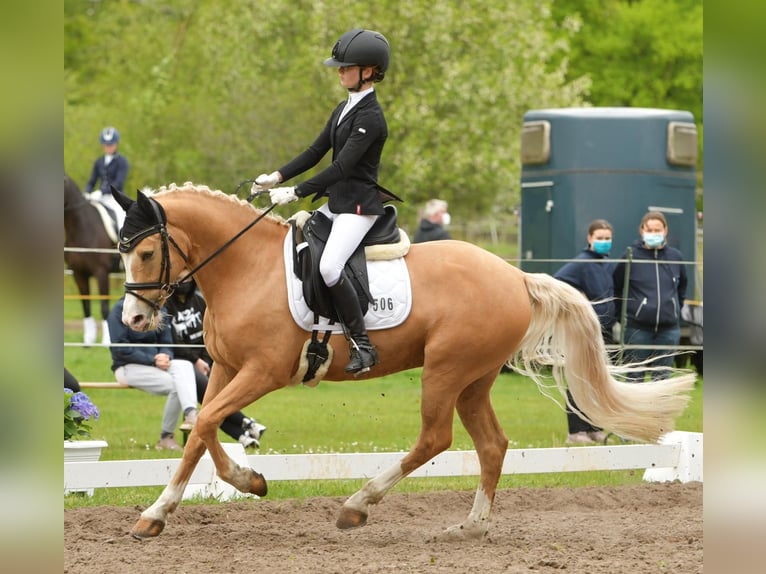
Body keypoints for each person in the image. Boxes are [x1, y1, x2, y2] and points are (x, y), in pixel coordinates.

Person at [253, 28, 393, 376]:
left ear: (369, 70)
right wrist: (277, 177)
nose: (339, 71)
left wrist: (297, 193)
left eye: (346, 67)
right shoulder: (344, 107)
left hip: (358, 207)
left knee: (330, 266)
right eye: (340, 66)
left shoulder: (371, 118)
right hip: (337, 202)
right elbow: (316, 151)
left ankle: (362, 343)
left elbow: (343, 166)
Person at [165, 278, 267, 449]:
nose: (184, 282)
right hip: (182, 362)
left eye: (188, 277)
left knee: (211, 403)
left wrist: (206, 360)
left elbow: (209, 334)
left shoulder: (199, 302)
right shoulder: (167, 306)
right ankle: (245, 425)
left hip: (205, 362)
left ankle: (243, 434)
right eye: (179, 278)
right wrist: (196, 361)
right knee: (212, 400)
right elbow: (175, 343)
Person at [107, 295, 199, 451]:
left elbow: (167, 341)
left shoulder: (159, 310)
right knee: (176, 385)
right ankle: (166, 437)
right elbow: (120, 349)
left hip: (157, 363)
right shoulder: (118, 311)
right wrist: (152, 360)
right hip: (127, 367)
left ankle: (191, 414)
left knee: (184, 365)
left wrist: (165, 355)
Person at [554, 219, 616, 444]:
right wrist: (578, 298)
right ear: (590, 238)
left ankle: (593, 427)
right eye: (599, 238)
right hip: (583, 330)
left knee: (596, 379)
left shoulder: (605, 263)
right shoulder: (581, 263)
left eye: (607, 238)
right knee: (578, 378)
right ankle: (576, 431)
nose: (604, 242)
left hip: (604, 329)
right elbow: (557, 281)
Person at [613, 211, 687, 381]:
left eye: (657, 230)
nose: (654, 234)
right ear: (642, 231)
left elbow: (682, 286)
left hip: (669, 330)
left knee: (662, 377)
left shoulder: (676, 257)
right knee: (634, 376)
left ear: (665, 231)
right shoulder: (630, 256)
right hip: (637, 328)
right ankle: (633, 409)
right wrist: (621, 316)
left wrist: (675, 309)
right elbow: (616, 286)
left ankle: (659, 409)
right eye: (650, 230)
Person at [84, 126, 129, 230]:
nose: (108, 147)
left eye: (111, 145)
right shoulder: (99, 161)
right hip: (100, 197)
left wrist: (101, 192)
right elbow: (92, 181)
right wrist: (87, 192)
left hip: (116, 198)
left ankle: (123, 242)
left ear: (116, 144)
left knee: (121, 218)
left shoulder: (122, 161)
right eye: (106, 145)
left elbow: (118, 183)